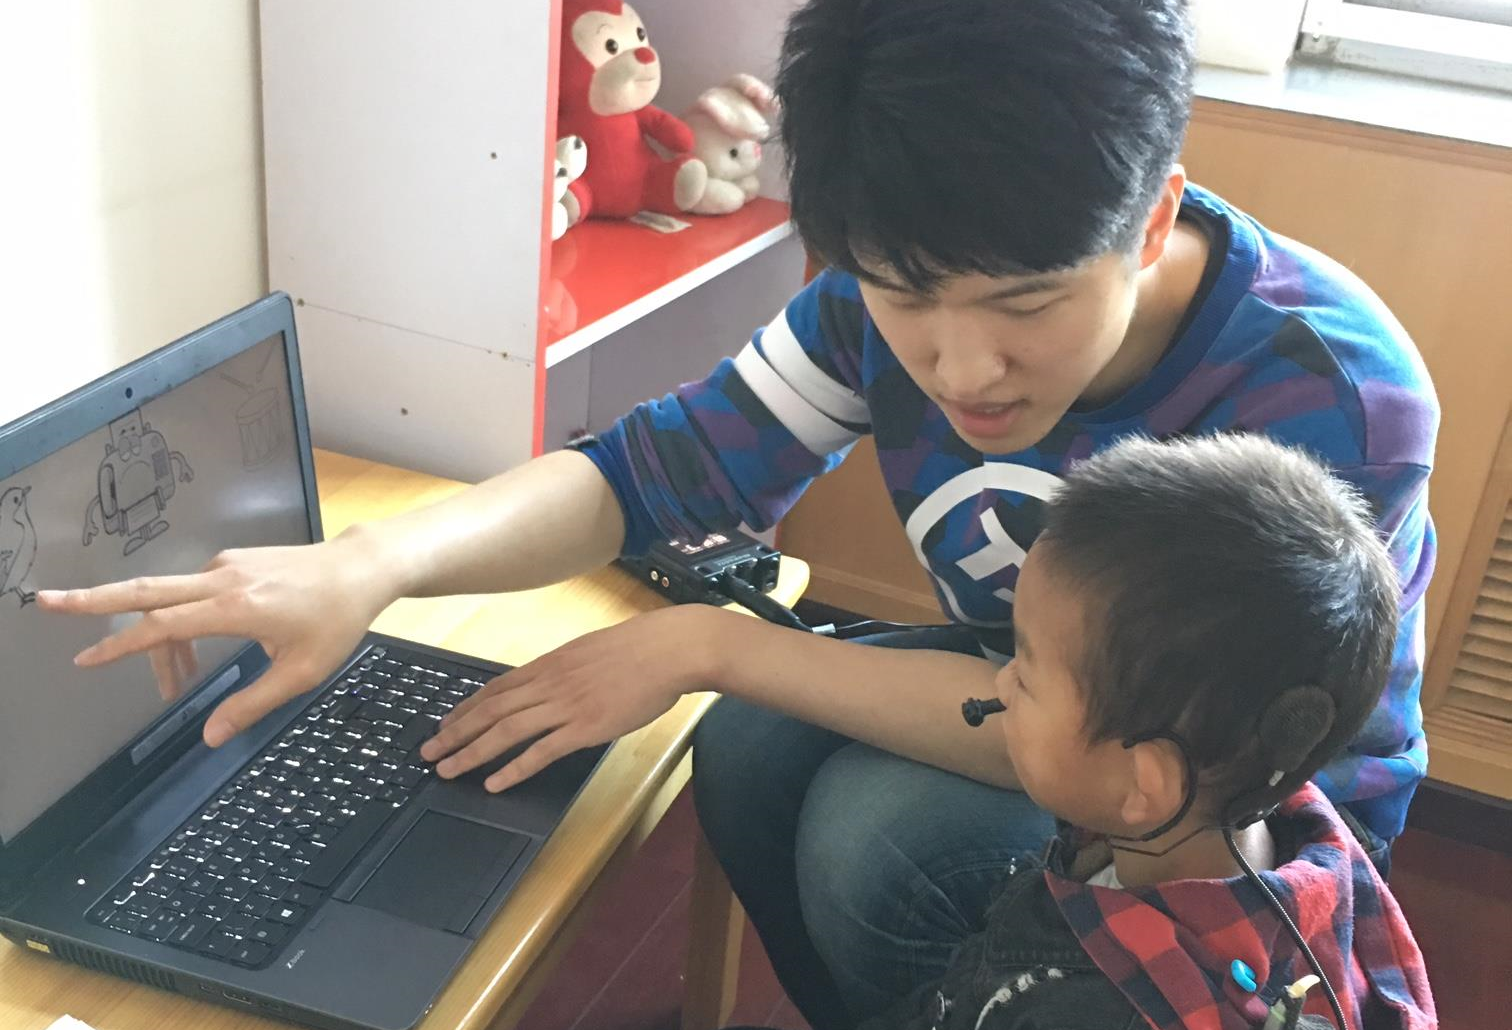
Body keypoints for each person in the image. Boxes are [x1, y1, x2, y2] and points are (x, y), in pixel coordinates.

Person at [38, 0, 1439, 1026]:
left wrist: (715, 643)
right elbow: (651, 473)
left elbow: (1155, 752)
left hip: (1214, 818)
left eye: (1023, 309)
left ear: (1150, 220)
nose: (959, 368)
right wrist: (368, 563)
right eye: (905, 304)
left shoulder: (1328, 393)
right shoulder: (879, 291)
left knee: (865, 826)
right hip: (1037, 692)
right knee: (758, 755)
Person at [730, 433, 1439, 1030]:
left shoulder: (1090, 1008)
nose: (1002, 683)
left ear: (1143, 783)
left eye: (1028, 675)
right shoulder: (1295, 830)